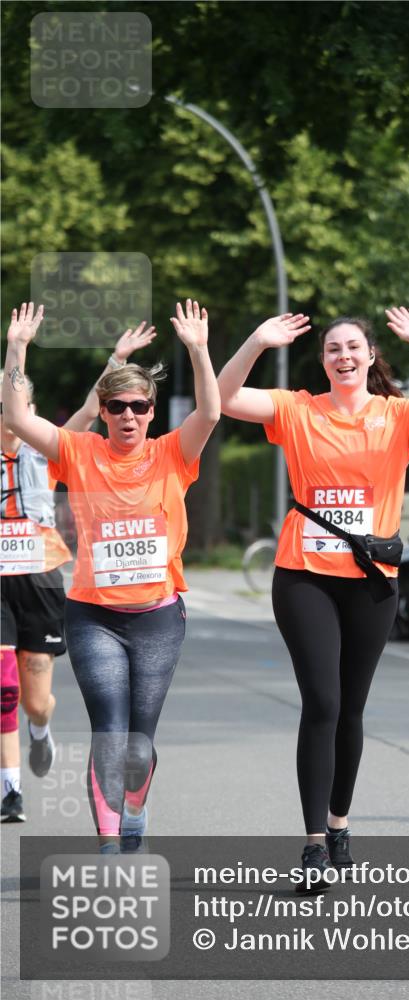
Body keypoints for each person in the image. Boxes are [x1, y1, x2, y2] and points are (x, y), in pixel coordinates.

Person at [218, 306, 409, 888]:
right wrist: (256, 340)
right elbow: (224, 398)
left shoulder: (400, 417)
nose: (344, 357)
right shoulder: (296, 410)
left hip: (372, 580)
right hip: (304, 574)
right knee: (323, 703)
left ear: (370, 356)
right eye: (334, 349)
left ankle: (339, 823)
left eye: (354, 347)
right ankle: (312, 843)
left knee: (352, 708)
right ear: (323, 360)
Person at [2, 300, 219, 852]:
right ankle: (108, 846)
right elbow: (20, 417)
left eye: (139, 406)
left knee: (139, 744)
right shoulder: (79, 452)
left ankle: (136, 814)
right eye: (117, 406)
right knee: (109, 732)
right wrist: (18, 346)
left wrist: (198, 350)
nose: (128, 415)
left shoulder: (174, 454)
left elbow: (211, 412)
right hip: (94, 616)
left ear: (151, 412)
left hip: (158, 619)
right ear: (103, 410)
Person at [1, 322, 156, 823]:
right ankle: (11, 788)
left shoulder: (52, 448)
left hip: (42, 576)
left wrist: (116, 357)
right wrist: (16, 346)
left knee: (37, 697)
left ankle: (40, 729)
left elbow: (95, 408)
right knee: (5, 686)